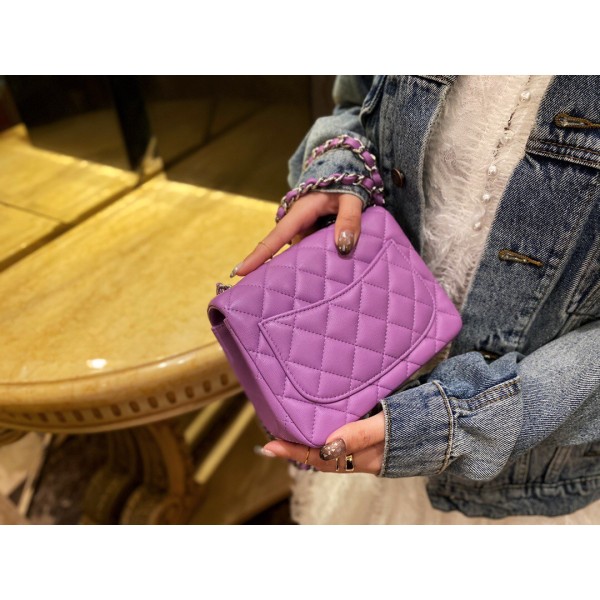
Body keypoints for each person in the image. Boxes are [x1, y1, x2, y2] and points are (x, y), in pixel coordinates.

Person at [231, 76, 600, 524]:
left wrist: (461, 423)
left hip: (528, 473)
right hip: (362, 396)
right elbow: (356, 102)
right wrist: (339, 167)